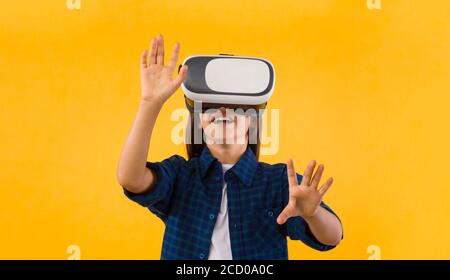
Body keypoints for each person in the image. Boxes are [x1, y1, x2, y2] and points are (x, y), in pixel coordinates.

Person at [117, 34, 343, 260]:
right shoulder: (180, 175)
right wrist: (150, 103)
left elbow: (333, 237)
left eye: (236, 105)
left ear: (253, 118)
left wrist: (313, 215)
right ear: (198, 119)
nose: (223, 111)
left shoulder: (278, 182)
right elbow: (131, 179)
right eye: (211, 105)